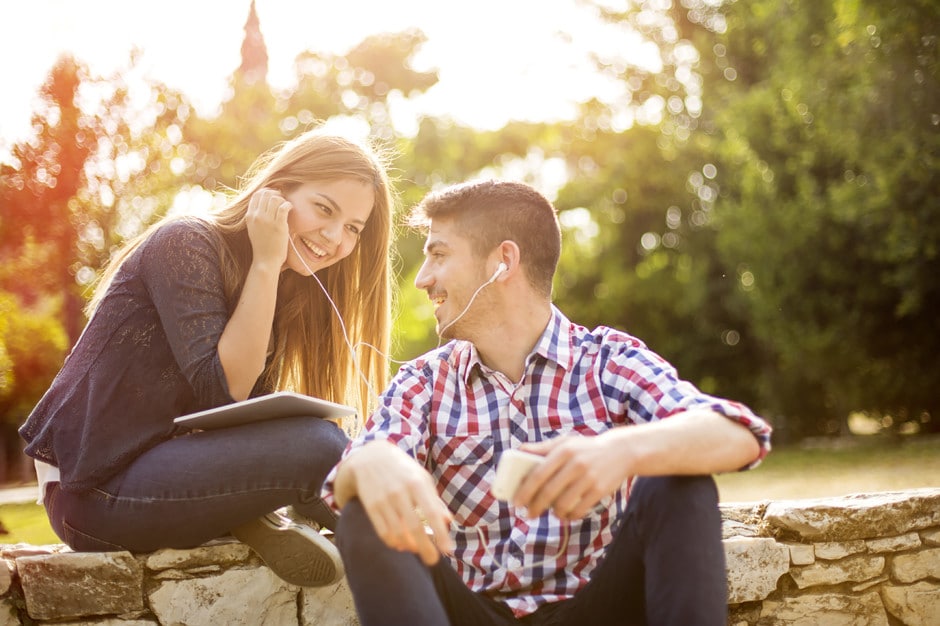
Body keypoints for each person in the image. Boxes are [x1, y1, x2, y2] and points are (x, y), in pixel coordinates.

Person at [324, 179, 773, 624]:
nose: (423, 279)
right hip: (472, 611)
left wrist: (618, 451)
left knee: (678, 482)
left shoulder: (607, 360)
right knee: (365, 509)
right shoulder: (423, 383)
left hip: (596, 608)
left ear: (503, 262)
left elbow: (739, 434)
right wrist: (372, 460)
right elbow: (343, 485)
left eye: (438, 255)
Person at [18, 127, 395, 588]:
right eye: (324, 209)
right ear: (275, 194)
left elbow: (232, 422)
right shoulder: (186, 243)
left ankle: (275, 517)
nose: (335, 237)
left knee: (342, 450)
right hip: (91, 493)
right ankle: (408, 546)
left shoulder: (284, 287)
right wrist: (265, 263)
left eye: (353, 229)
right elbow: (224, 392)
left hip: (164, 472)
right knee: (321, 448)